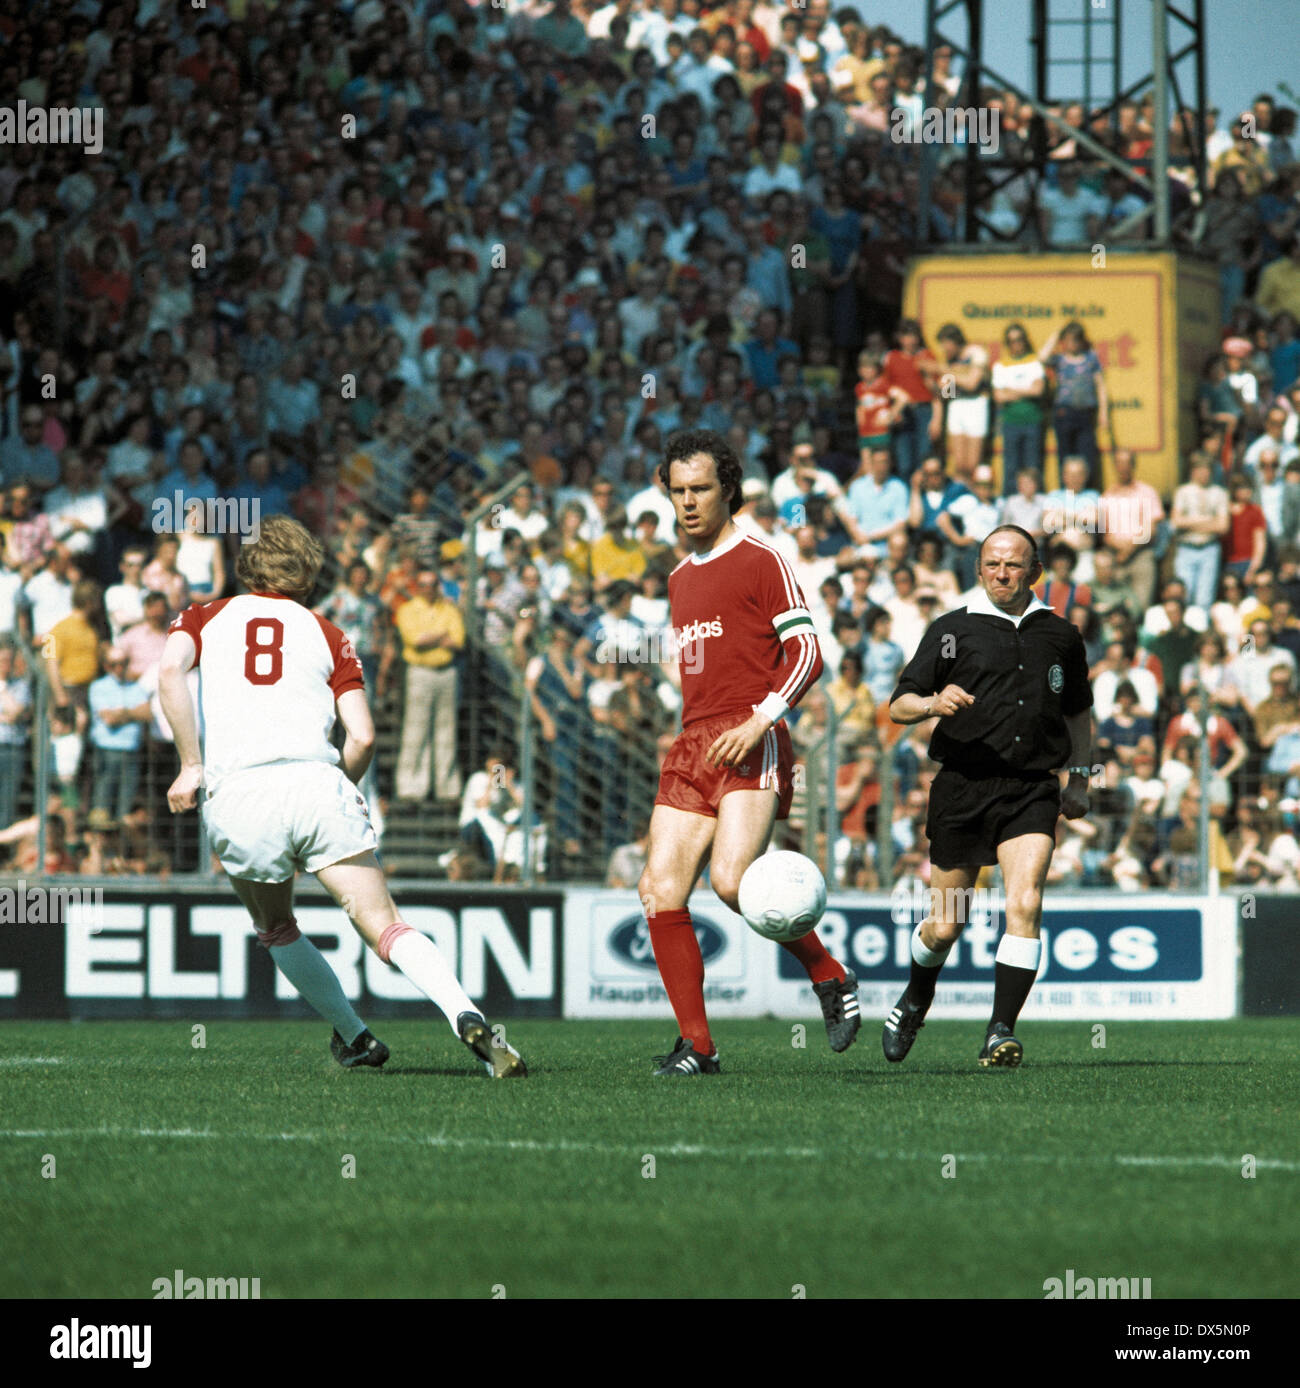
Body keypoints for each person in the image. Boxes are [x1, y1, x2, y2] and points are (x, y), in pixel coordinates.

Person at [158, 515, 524, 1079]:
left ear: (247, 565)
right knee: (385, 924)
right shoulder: (329, 633)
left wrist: (190, 765)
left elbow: (168, 675)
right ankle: (465, 1014)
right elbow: (364, 736)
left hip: (241, 794)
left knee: (276, 925)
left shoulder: (204, 616)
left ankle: (355, 1037)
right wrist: (335, 792)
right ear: (307, 572)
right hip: (317, 782)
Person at [636, 429, 857, 1076]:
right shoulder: (678, 578)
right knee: (659, 890)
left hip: (752, 733)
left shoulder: (763, 558)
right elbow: (700, 665)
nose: (689, 503)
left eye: (701, 489)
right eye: (677, 492)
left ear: (728, 488)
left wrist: (763, 720)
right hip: (694, 741)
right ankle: (699, 1047)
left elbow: (808, 653)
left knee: (732, 882)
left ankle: (829, 973)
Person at [885, 525, 1094, 1068]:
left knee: (1024, 902)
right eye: (993, 564)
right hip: (962, 787)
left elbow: (1078, 712)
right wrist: (933, 702)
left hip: (1030, 790)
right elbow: (898, 704)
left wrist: (1080, 779)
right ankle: (916, 995)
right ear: (979, 570)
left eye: (1015, 565)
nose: (1003, 574)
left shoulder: (1061, 635)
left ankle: (1000, 1031)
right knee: (946, 924)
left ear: (1035, 571)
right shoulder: (952, 629)